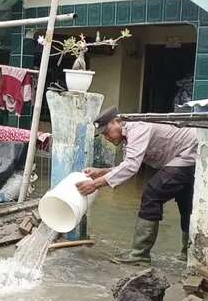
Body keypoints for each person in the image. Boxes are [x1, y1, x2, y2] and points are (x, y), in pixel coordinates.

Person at [76, 106, 197, 265]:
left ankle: (140, 254)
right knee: (186, 203)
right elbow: (129, 164)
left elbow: (131, 166)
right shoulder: (128, 136)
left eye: (107, 132)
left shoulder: (138, 128)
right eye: (103, 134)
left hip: (189, 153)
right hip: (182, 156)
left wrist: (95, 184)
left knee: (152, 192)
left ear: (117, 122)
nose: (107, 137)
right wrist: (101, 172)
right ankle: (187, 253)